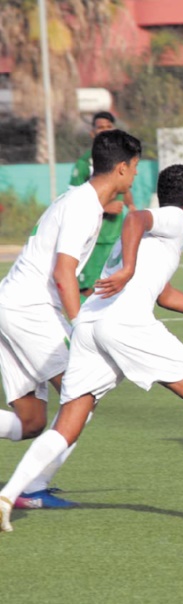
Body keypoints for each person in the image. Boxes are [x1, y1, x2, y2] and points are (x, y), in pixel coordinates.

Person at [0, 164, 183, 533]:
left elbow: (165, 294)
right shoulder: (177, 218)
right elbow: (134, 218)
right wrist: (127, 269)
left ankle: (8, 495)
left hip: (91, 326)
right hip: (126, 324)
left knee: (68, 424)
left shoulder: (157, 234)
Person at [0, 129, 141, 510]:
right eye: (136, 168)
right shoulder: (84, 207)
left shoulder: (79, 200)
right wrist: (80, 327)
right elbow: (64, 273)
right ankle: (33, 487)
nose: (136, 177)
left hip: (11, 304)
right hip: (29, 309)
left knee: (30, 422)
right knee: (84, 394)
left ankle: (33, 484)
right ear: (124, 168)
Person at [70, 111, 137, 299]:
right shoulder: (85, 162)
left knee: (114, 286)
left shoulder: (120, 159)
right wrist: (104, 208)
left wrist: (131, 207)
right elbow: (73, 195)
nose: (104, 131)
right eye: (100, 127)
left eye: (108, 127)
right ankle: (82, 325)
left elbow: (125, 186)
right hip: (95, 235)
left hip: (116, 234)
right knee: (88, 287)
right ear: (92, 133)